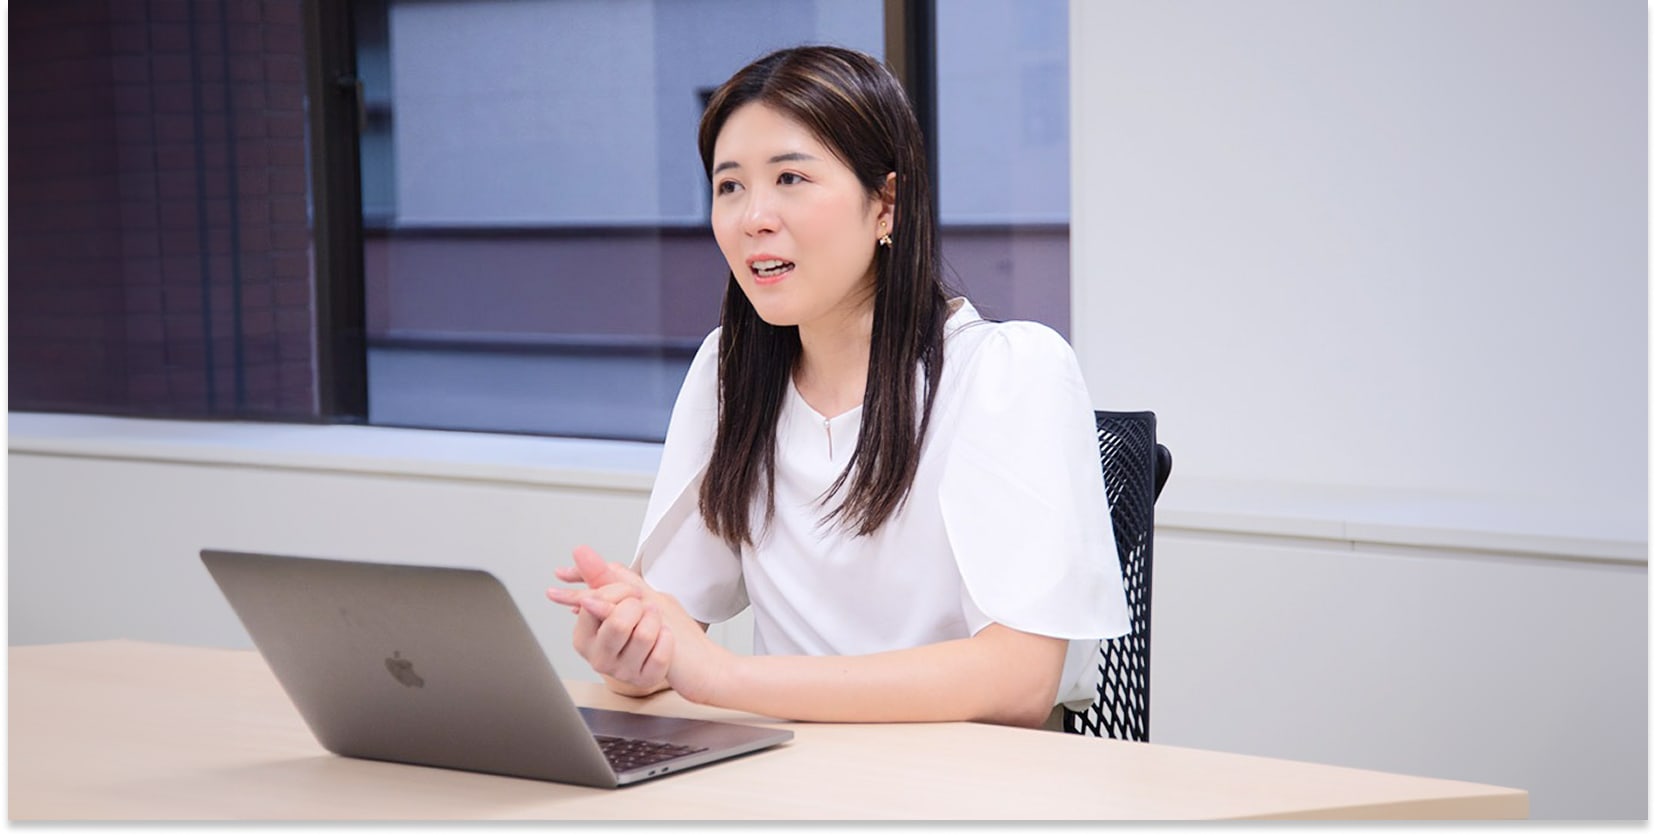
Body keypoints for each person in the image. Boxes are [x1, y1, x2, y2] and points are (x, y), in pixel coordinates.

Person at [546, 45, 1128, 730]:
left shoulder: (1008, 372)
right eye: (729, 186)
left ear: (886, 203)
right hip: (788, 769)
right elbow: (670, 629)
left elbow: (1018, 681)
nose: (753, 216)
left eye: (790, 178)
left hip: (966, 776)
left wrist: (725, 677)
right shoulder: (729, 372)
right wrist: (629, 647)